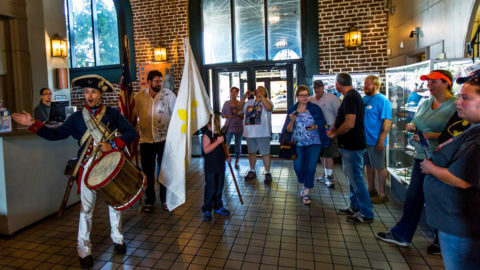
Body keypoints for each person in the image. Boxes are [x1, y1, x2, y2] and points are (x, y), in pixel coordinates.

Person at [12, 75, 137, 268]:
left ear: (101, 94)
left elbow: (131, 133)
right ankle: (84, 250)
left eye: (94, 91)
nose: (89, 95)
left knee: (114, 204)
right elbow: (56, 135)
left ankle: (118, 238)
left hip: (109, 165)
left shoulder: (112, 114)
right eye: (87, 92)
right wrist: (33, 124)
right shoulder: (77, 118)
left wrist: (113, 143)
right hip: (87, 167)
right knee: (86, 210)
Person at [377, 70, 457, 253]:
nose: (428, 85)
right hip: (422, 157)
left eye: (433, 81)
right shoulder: (426, 102)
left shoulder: (455, 105)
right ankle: (402, 234)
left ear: (446, 83)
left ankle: (441, 241)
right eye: (427, 81)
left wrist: (433, 136)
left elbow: (461, 133)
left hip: (444, 160)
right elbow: (417, 123)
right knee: (413, 198)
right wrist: (412, 127)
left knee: (439, 200)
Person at [420, 72, 480, 269]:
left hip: (462, 228)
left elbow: (461, 178)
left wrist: (430, 167)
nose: (458, 103)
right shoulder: (472, 129)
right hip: (455, 225)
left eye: (466, 98)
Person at [327, 73, 373, 224]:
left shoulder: (350, 97)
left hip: (352, 145)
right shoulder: (351, 96)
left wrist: (334, 132)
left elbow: (349, 123)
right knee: (351, 177)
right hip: (349, 144)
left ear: (338, 84)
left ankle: (366, 213)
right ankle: (354, 206)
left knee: (356, 179)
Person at [135, 70, 176, 213]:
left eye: (161, 81)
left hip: (164, 139)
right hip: (146, 140)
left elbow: (176, 114)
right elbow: (134, 116)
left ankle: (165, 199)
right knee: (148, 172)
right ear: (149, 82)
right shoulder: (139, 97)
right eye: (157, 81)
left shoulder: (168, 95)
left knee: (164, 171)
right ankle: (150, 200)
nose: (159, 84)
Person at [282, 85, 330, 205]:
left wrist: (315, 126)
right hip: (298, 143)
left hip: (314, 142)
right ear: (297, 97)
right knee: (298, 167)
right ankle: (304, 182)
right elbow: (287, 130)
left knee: (310, 167)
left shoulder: (314, 108)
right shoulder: (293, 109)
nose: (305, 97)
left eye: (306, 94)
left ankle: (307, 191)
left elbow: (323, 122)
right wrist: (292, 120)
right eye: (302, 95)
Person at [362, 75, 392, 203]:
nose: (365, 86)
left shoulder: (383, 100)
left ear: (375, 85)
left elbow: (387, 121)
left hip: (376, 140)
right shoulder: (365, 99)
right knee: (368, 166)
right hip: (365, 140)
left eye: (368, 84)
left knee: (379, 167)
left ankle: (382, 194)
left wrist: (381, 139)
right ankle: (371, 188)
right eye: (365, 84)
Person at [237, 86, 274, 183]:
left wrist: (262, 97)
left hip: (263, 132)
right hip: (250, 133)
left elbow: (269, 109)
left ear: (265, 92)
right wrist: (244, 96)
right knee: (251, 152)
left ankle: (267, 172)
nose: (258, 91)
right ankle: (252, 170)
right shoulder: (249, 102)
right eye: (257, 90)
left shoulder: (267, 101)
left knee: (265, 153)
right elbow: (239, 107)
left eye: (261, 90)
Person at [309, 79, 340, 188]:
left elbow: (339, 114)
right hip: (316, 131)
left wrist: (334, 129)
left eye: (318, 87)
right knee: (321, 154)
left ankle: (330, 176)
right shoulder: (311, 99)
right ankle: (326, 174)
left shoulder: (331, 98)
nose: (317, 89)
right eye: (315, 87)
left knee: (329, 154)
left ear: (323, 87)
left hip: (329, 129)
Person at [201, 115, 231, 221]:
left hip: (220, 165)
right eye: (214, 124)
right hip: (211, 167)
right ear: (209, 125)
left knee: (219, 187)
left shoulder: (220, 134)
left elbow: (225, 146)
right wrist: (217, 142)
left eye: (217, 124)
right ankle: (207, 209)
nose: (217, 126)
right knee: (211, 188)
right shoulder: (206, 135)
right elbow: (206, 150)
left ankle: (218, 206)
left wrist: (227, 155)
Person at [221, 86, 244, 169]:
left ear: (237, 93)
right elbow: (222, 114)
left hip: (239, 127)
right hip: (229, 127)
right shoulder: (226, 103)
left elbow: (243, 116)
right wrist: (228, 115)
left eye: (235, 92)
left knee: (238, 144)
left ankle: (237, 161)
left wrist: (237, 112)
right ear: (230, 93)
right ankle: (226, 158)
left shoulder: (240, 103)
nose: (233, 93)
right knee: (226, 144)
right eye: (232, 92)